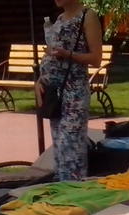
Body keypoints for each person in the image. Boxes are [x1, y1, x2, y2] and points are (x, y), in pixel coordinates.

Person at [36, 0, 102, 180]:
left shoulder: (87, 16)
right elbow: (50, 53)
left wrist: (67, 54)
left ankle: (74, 187)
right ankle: (61, 186)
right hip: (54, 93)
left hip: (74, 93)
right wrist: (40, 80)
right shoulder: (60, 18)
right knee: (59, 147)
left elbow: (96, 58)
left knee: (71, 147)